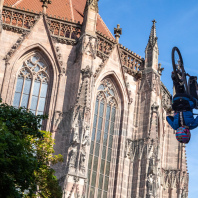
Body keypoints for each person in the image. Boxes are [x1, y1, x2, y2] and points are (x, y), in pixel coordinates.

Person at [166, 73, 198, 143]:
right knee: (180, 98)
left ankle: (192, 81)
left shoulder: (192, 125)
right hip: (176, 99)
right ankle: (175, 79)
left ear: (188, 133)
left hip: (188, 100)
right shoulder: (175, 126)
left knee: (196, 104)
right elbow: (168, 118)